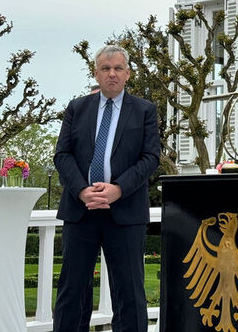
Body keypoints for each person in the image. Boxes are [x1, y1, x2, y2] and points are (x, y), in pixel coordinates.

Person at [53, 44, 160, 332]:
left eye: (117, 68)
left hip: (125, 214)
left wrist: (118, 189)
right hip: (80, 211)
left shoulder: (144, 110)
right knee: (71, 292)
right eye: (105, 68)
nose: (111, 74)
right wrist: (81, 191)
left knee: (130, 295)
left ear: (127, 74)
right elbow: (62, 155)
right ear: (96, 73)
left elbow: (151, 158)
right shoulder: (77, 108)